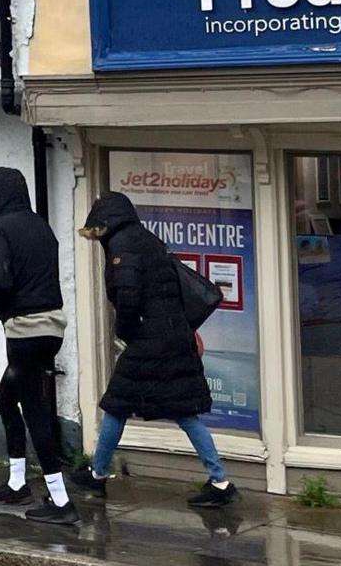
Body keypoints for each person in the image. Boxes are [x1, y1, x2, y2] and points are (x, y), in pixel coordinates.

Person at [68, 191, 239, 509]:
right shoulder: (148, 239)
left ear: (106, 222)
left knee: (117, 405)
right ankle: (220, 480)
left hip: (150, 342)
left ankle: (98, 474)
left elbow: (128, 295)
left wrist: (125, 333)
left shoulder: (122, 245)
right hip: (174, 337)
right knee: (184, 412)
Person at [0, 166, 76, 526]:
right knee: (7, 397)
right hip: (51, 328)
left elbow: (0, 278)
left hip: (24, 329)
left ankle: (61, 501)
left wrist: (1, 312)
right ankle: (18, 481)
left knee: (33, 409)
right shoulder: (40, 226)